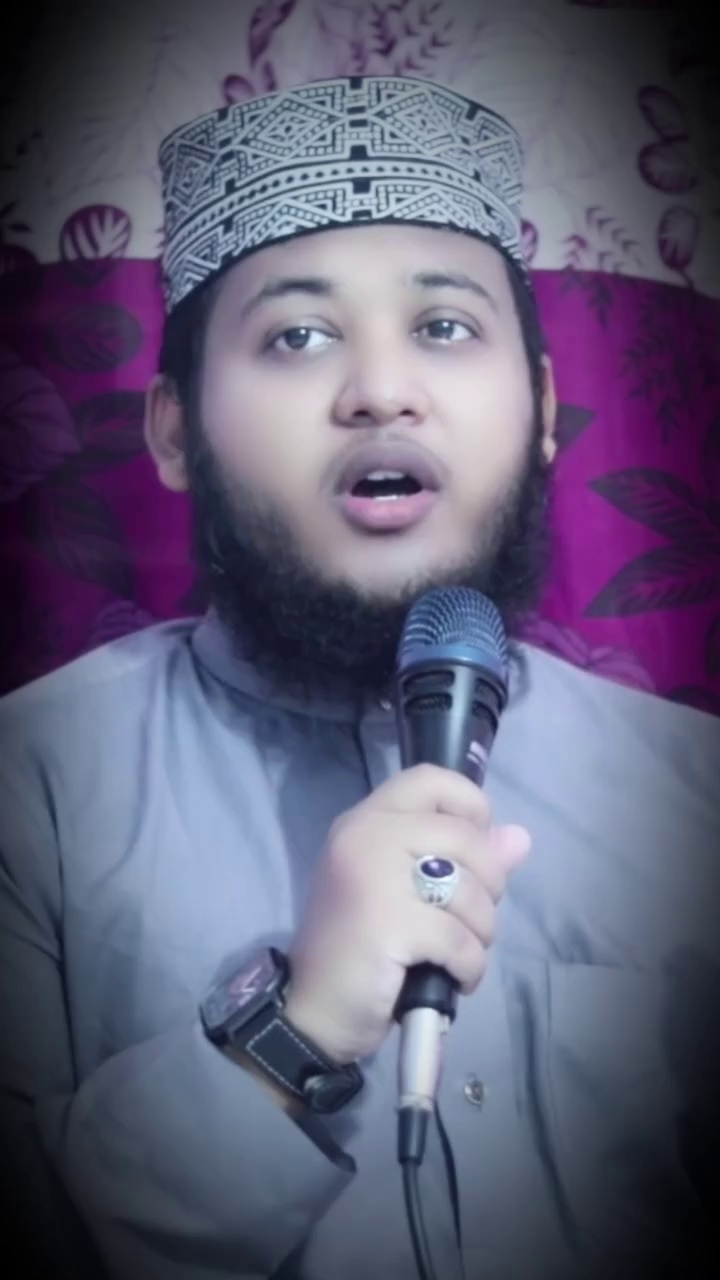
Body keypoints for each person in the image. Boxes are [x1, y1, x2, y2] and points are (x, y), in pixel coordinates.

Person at [0, 74, 718, 1280]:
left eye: (444, 326)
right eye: (297, 335)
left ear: (543, 408)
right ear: (174, 431)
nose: (382, 389)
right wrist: (291, 1030)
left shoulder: (697, 793)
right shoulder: (29, 788)